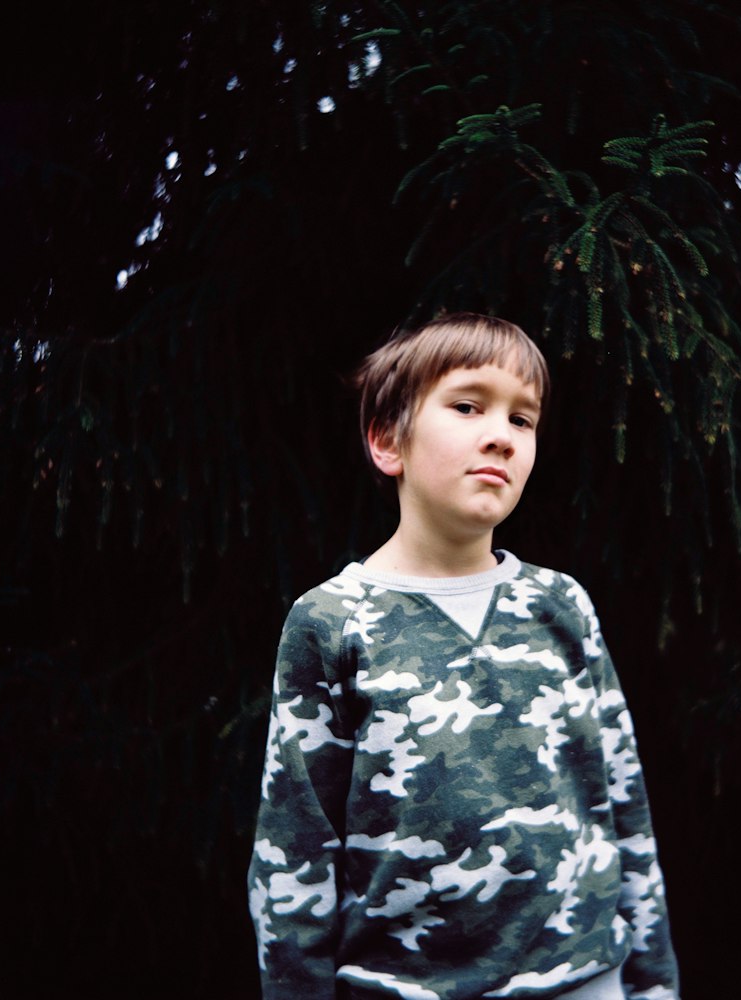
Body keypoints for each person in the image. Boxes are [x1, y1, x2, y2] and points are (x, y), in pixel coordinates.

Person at [247, 313, 680, 999]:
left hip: (585, 979)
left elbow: (623, 804)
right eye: (469, 406)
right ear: (389, 441)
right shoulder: (331, 622)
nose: (500, 437)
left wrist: (654, 986)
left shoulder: (562, 606)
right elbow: (294, 853)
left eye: (523, 420)